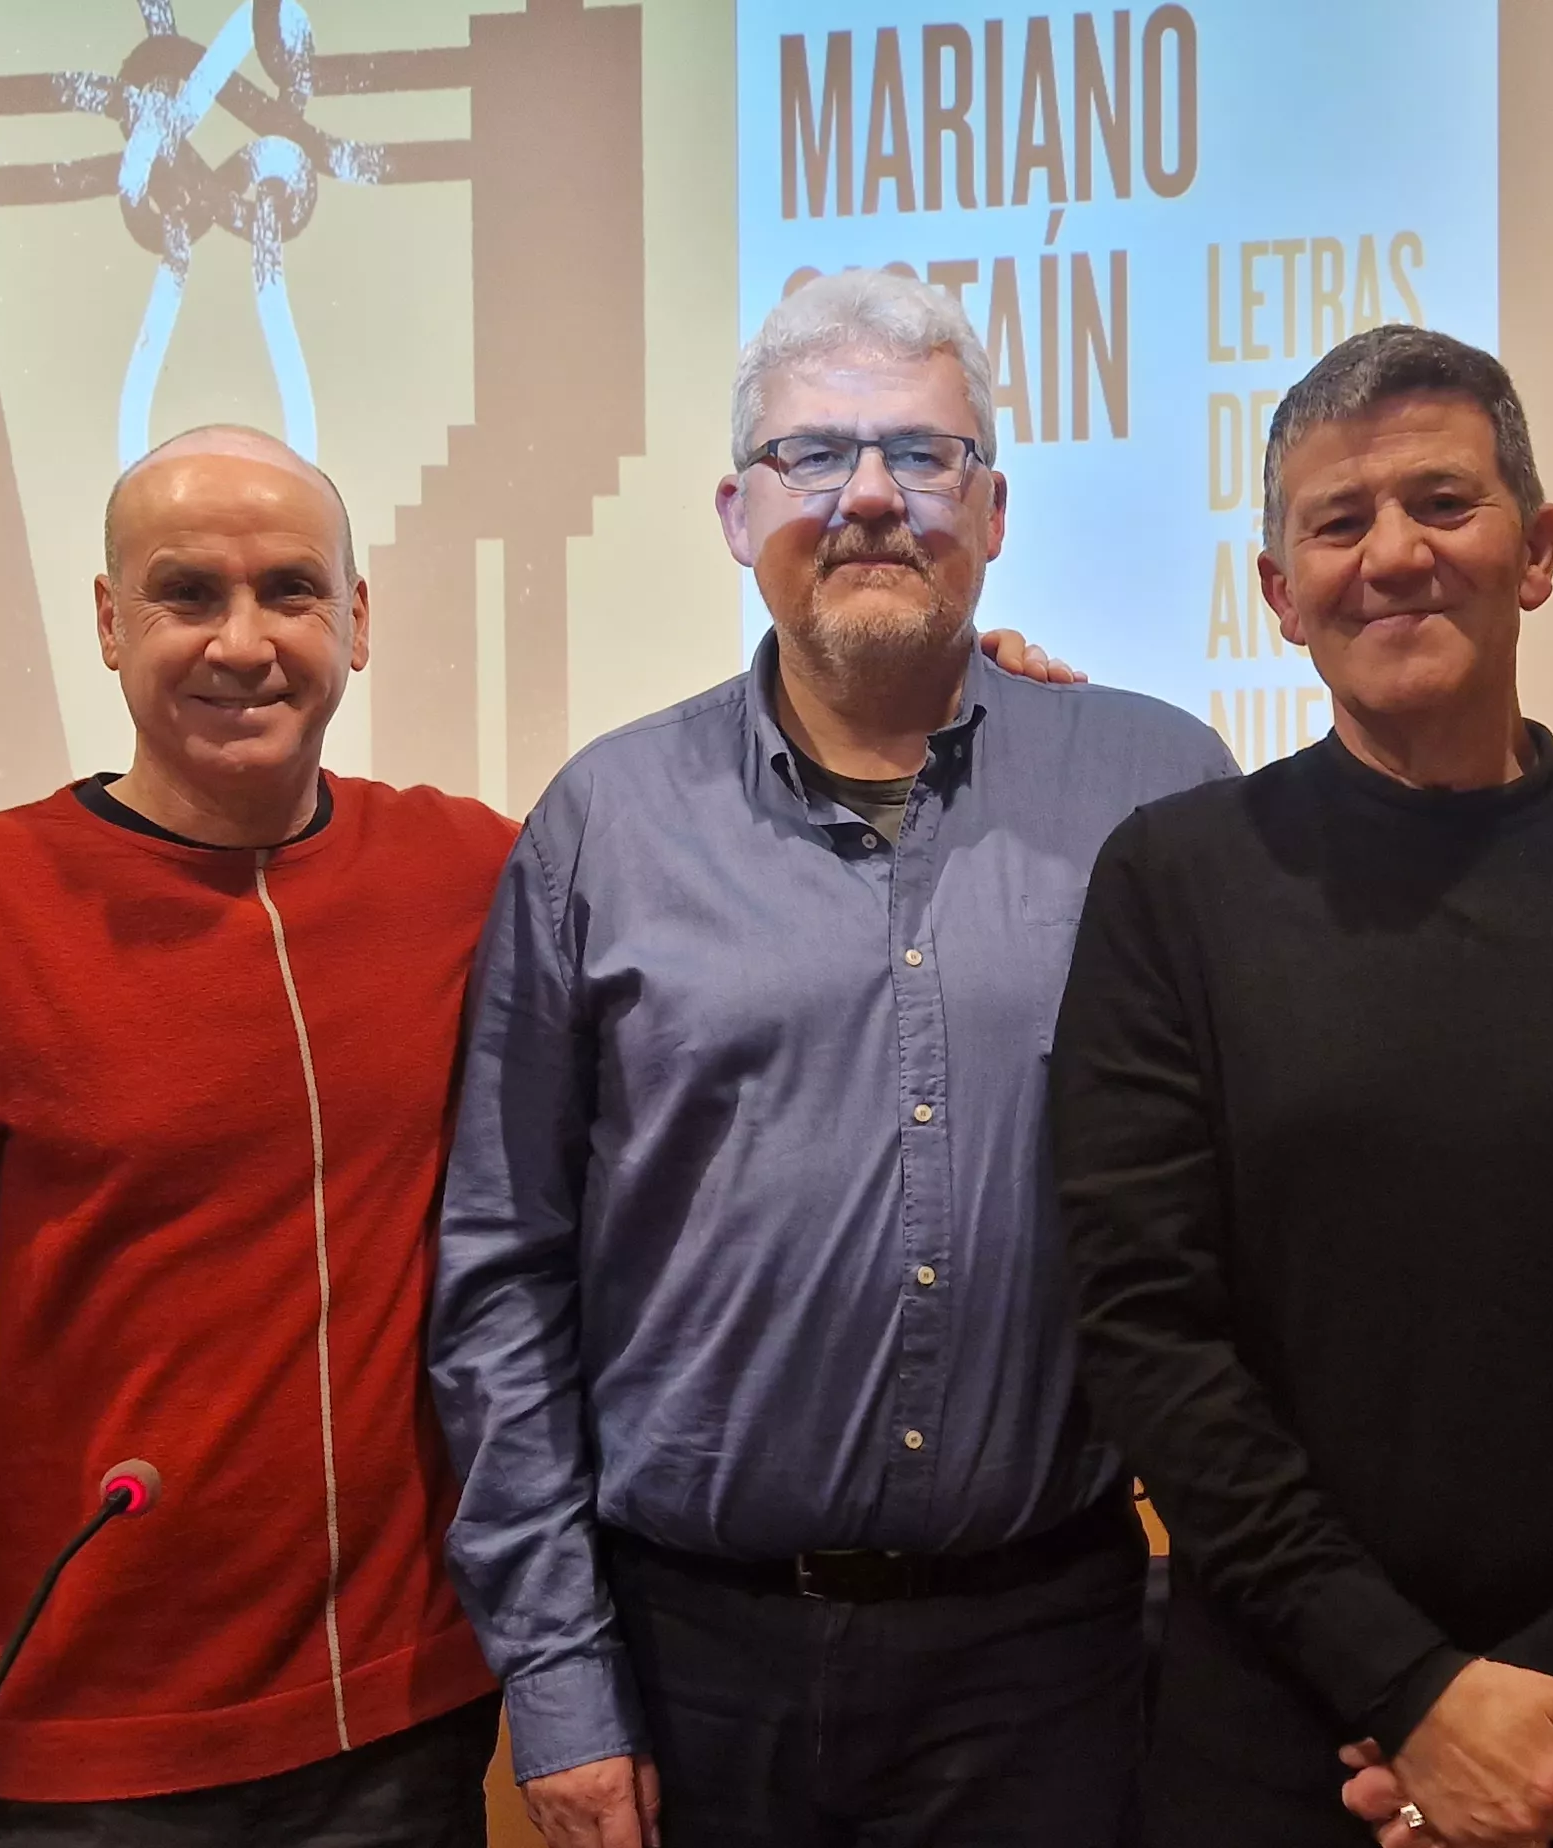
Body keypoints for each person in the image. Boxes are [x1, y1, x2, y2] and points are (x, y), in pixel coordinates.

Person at [0, 424, 1082, 1848]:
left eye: (289, 591)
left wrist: (949, 705)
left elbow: (735, 891)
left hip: (407, 1725)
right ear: (105, 621)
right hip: (95, 1747)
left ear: (359, 621)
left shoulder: (475, 870)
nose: (242, 641)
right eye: (186, 594)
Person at [429, 268, 1238, 1848]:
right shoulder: (602, 824)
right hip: (689, 1671)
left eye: (923, 454)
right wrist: (562, 1685)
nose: (870, 494)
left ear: (992, 507)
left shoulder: (1159, 790)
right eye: (813, 457)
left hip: (1051, 1661)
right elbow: (501, 1277)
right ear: (738, 514)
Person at [1051, 326, 1553, 1848]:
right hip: (1281, 1748)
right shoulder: (1173, 886)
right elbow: (1150, 1335)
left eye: (1443, 502)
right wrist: (1415, 1694)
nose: (1393, 555)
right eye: (1337, 521)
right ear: (1277, 596)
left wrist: (1547, 1693)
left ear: (1538, 548)